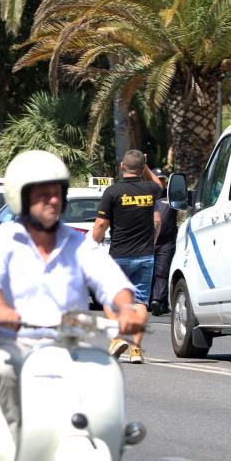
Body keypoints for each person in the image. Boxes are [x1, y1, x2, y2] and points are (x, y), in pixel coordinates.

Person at [0, 150, 146, 444]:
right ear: (20, 198)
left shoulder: (78, 244)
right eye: (43, 194)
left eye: (57, 193)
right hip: (16, 342)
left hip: (71, 345)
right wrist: (0, 309)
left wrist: (126, 308)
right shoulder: (0, 240)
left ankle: (106, 442)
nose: (53, 200)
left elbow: (111, 280)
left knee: (107, 377)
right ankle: (16, 441)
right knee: (3, 366)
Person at [91, 149, 163, 363]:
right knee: (140, 302)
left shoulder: (113, 192)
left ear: (122, 167)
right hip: (145, 256)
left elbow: (101, 224)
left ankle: (116, 339)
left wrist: (92, 246)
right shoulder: (151, 189)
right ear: (142, 168)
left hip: (118, 256)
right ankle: (136, 349)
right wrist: (145, 165)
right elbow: (158, 189)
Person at [149, 168, 177, 316]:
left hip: (166, 242)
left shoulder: (171, 196)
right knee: (148, 272)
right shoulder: (147, 196)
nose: (161, 182)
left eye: (162, 179)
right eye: (158, 179)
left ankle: (158, 301)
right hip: (148, 241)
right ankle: (148, 300)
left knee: (162, 272)